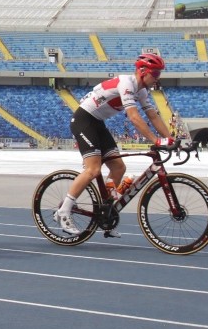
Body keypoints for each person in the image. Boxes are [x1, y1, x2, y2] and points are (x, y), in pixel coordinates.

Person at [54, 53, 174, 236]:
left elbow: (153, 116)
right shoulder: (127, 83)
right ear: (142, 71)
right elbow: (134, 117)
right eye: (155, 73)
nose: (158, 77)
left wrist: (172, 139)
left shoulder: (141, 91)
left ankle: (106, 212)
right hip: (83, 120)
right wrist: (156, 140)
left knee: (118, 167)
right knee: (93, 170)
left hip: (98, 123)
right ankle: (63, 211)